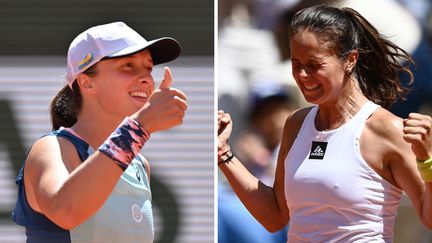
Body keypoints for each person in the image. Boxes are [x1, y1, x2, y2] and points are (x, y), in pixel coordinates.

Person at [218, 5, 432, 242]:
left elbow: (429, 217)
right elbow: (275, 216)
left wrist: (428, 159)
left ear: (350, 60)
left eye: (314, 64)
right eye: (296, 64)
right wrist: (223, 153)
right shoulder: (296, 125)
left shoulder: (387, 129)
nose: (303, 75)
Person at [11, 21, 187, 243]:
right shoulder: (51, 148)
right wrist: (138, 128)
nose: (146, 78)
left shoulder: (140, 164)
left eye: (149, 68)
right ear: (86, 83)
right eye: (128, 66)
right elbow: (66, 211)